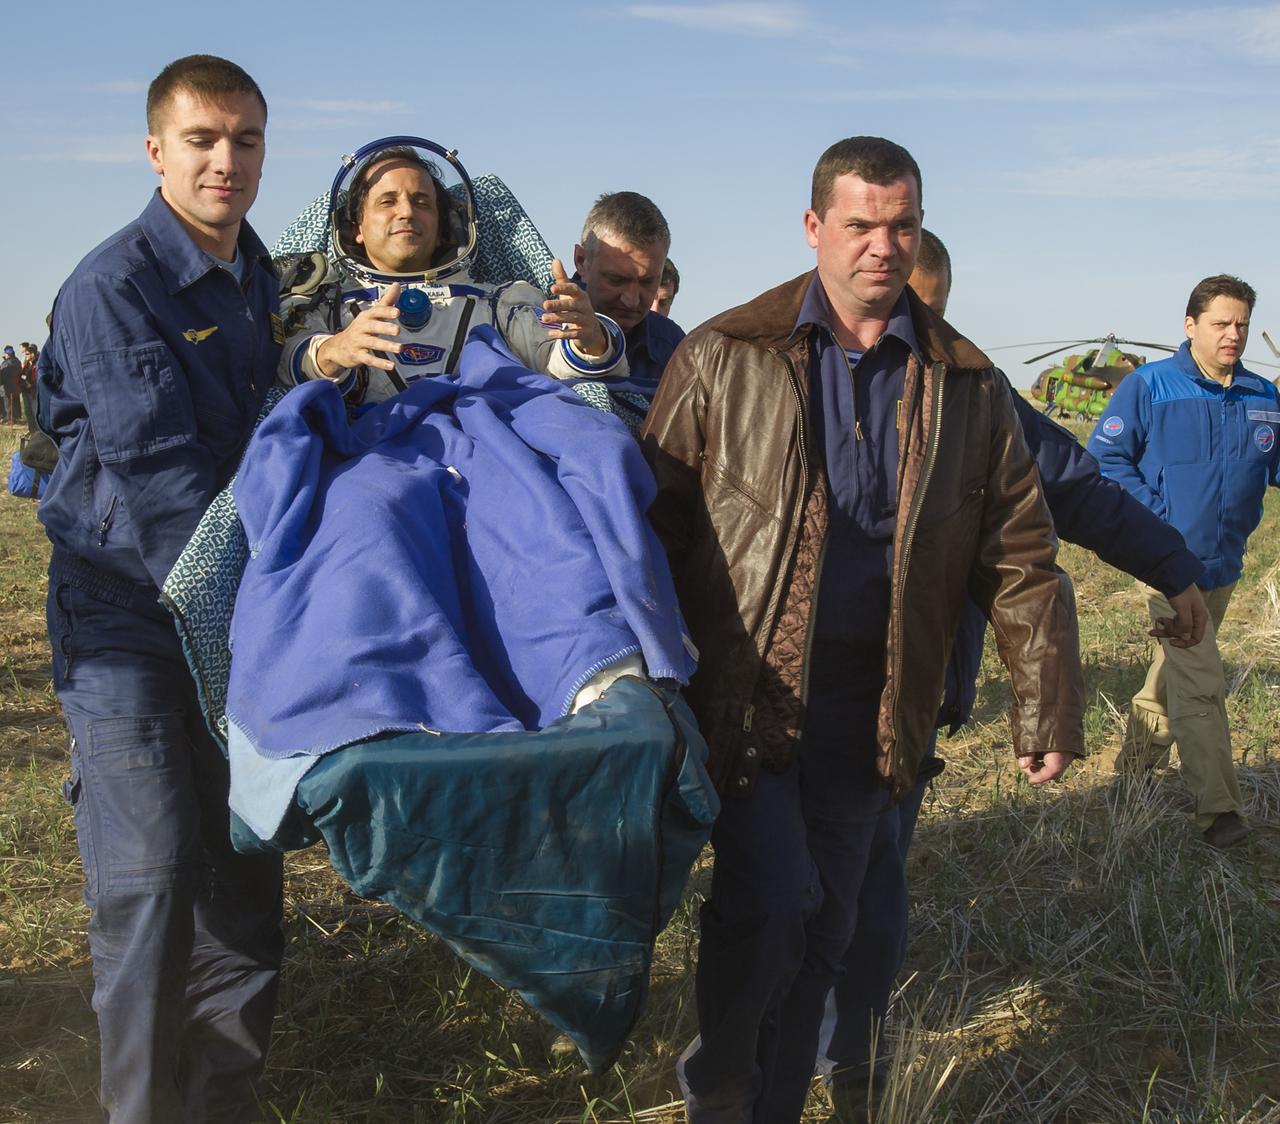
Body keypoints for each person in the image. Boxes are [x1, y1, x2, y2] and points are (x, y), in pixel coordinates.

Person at [640, 136, 1085, 1123]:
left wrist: (1042, 702)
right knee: (769, 905)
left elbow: (1019, 552)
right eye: (860, 225)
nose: (883, 246)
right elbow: (654, 526)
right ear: (814, 227)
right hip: (749, 698)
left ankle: (773, 1103)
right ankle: (721, 1090)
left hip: (880, 706)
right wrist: (642, 685)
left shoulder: (966, 384)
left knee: (828, 929)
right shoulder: (724, 356)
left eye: (902, 225)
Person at [818, 230, 1210, 1116]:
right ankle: (752, 1058)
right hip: (789, 694)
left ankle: (854, 1063)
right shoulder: (777, 375)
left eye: (926, 311)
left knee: (873, 885)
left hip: (911, 696)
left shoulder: (974, 391)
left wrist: (1172, 565)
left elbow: (1074, 490)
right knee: (779, 892)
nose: (906, 328)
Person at [37, 55, 284, 1122]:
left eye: (245, 140)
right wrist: (266, 633)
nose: (225, 161)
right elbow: (166, 487)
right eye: (201, 140)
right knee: (150, 884)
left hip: (229, 611)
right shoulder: (116, 287)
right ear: (154, 151)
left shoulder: (257, 273)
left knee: (242, 881)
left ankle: (221, 1101)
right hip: (127, 618)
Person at [1089, 274, 1276, 850]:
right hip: (1168, 566)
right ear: (1191, 325)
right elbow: (1106, 460)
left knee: (1173, 672)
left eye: (1242, 324)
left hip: (1226, 565)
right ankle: (1218, 810)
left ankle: (1131, 769)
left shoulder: (1263, 395)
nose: (1233, 334)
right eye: (1220, 323)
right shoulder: (1149, 386)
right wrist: (1157, 525)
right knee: (1200, 682)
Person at [278, 138, 626, 405]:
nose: (406, 212)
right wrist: (334, 352)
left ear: (445, 227)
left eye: (422, 202)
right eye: (387, 201)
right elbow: (284, 364)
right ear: (356, 227)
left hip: (487, 444)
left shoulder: (496, 305)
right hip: (372, 454)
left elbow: (555, 365)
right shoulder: (327, 308)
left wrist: (589, 339)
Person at [573, 191, 685, 413]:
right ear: (581, 261)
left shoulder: (673, 347)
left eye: (647, 282)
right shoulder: (531, 327)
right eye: (616, 280)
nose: (631, 301)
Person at [19, 343, 39, 430]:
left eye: (27, 354)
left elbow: (41, 378)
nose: (25, 356)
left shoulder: (38, 364)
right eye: (25, 354)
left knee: (35, 413)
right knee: (28, 412)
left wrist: (31, 385)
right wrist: (23, 383)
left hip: (34, 393)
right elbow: (22, 376)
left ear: (32, 354)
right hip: (26, 392)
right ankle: (32, 431)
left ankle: (39, 432)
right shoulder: (27, 365)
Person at [0, 345, 20, 423]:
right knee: (14, 404)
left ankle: (10, 420)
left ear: (7, 354)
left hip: (6, 388)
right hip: (16, 387)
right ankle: (14, 418)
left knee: (7, 405)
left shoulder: (5, 364)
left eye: (5, 353)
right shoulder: (17, 362)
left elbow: (2, 376)